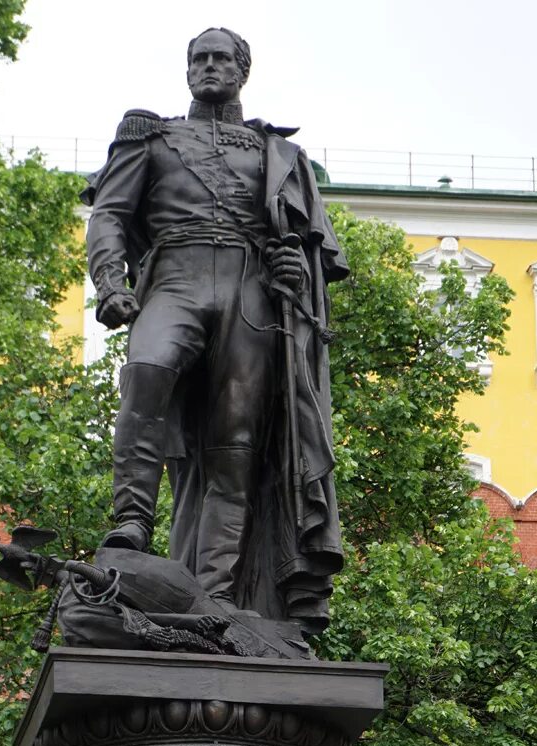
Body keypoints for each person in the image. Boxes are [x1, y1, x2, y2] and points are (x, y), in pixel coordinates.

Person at [84, 26, 348, 633]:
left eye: (220, 58)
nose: (208, 67)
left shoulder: (277, 153)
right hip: (173, 276)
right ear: (187, 72)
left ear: (241, 70)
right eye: (197, 59)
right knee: (145, 374)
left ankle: (215, 597)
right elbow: (110, 217)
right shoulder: (151, 136)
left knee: (236, 447)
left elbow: (307, 249)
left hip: (250, 292)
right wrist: (111, 284)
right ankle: (131, 520)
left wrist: (294, 267)